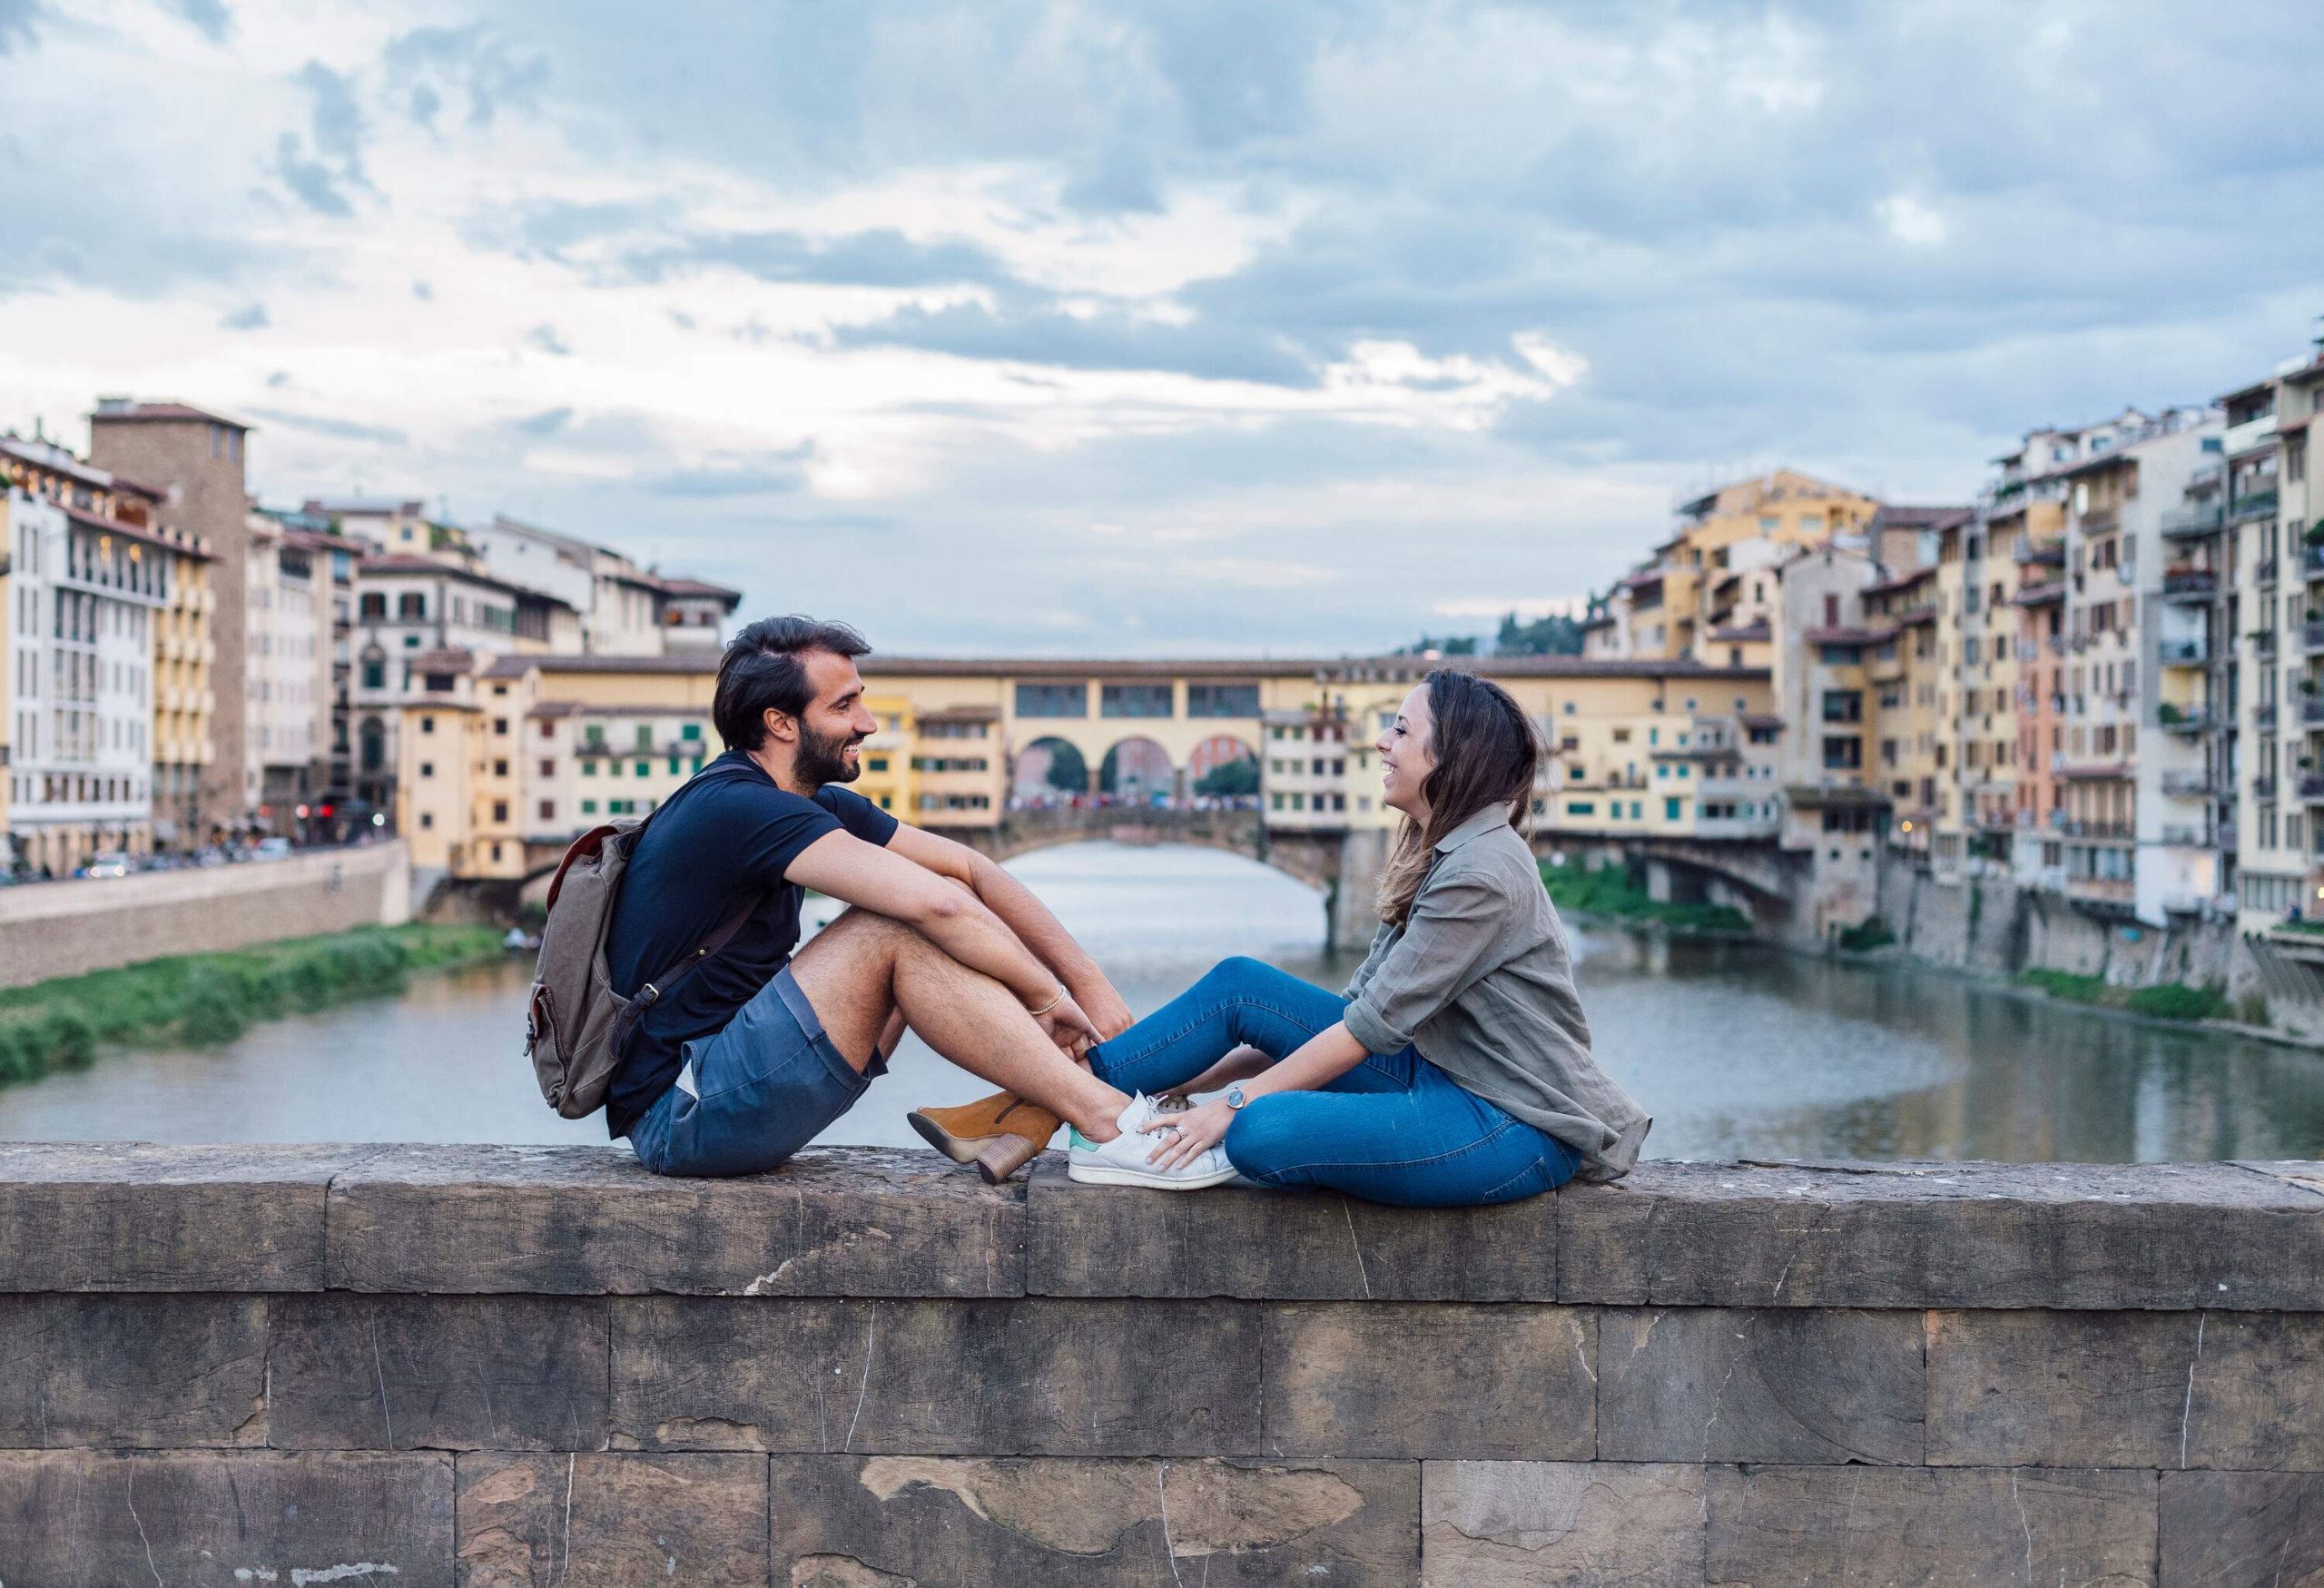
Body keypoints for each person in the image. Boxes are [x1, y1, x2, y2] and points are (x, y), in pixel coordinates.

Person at [922, 667, 1649, 1205]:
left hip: (1509, 1123)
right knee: (1242, 984)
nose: (1381, 742)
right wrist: (1180, 1085)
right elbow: (1355, 1009)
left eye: (1401, 729)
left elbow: (1365, 1030)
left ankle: (1037, 1105)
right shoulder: (1448, 848)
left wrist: (1228, 1105)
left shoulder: (1481, 871)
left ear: (1449, 757)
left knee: (1257, 1134)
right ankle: (1054, 1100)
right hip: (1447, 1074)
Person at [606, 615, 1236, 1187]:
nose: (868, 722)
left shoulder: (806, 801)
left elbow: (970, 869)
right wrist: (1047, 998)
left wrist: (1085, 980)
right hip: (682, 1110)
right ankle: (1105, 1122)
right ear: (780, 722)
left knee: (932, 897)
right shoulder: (738, 807)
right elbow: (936, 908)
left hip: (733, 1082)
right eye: (845, 704)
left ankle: (1050, 1106)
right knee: (895, 922)